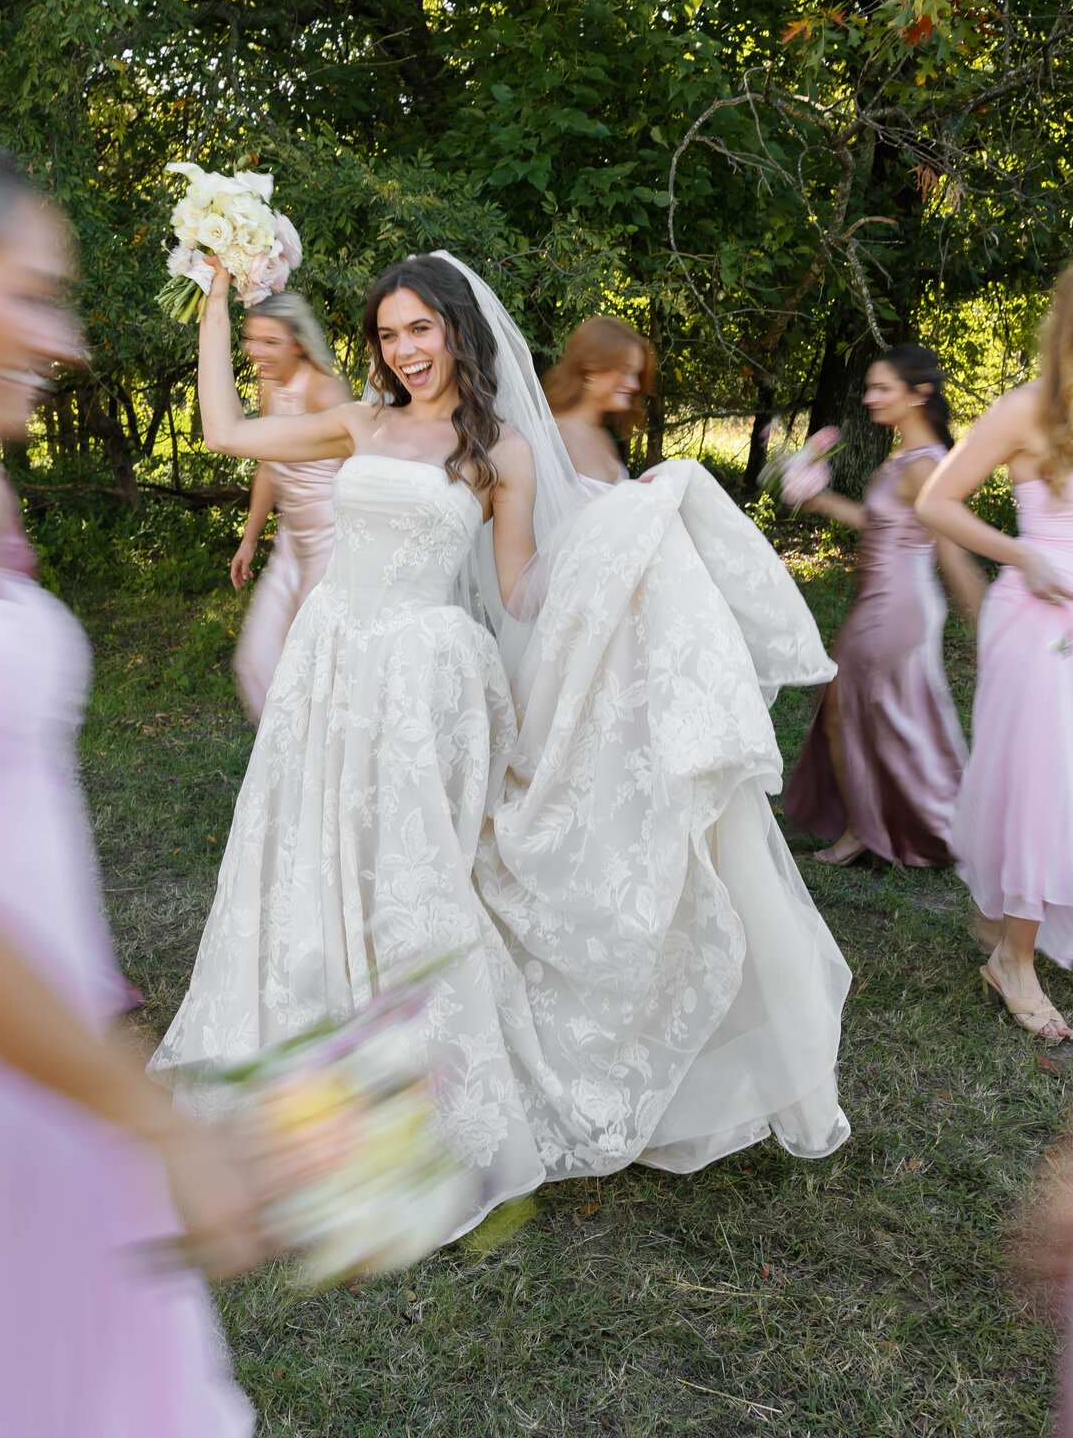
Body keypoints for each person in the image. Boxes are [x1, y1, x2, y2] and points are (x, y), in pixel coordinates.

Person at [154, 249, 852, 1221]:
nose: (404, 352)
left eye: (420, 330)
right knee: (317, 848)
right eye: (388, 335)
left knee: (414, 872)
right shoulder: (362, 421)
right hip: (332, 661)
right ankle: (312, 1048)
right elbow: (227, 430)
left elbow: (520, 587)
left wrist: (625, 550)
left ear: (456, 332)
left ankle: (417, 1093)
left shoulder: (503, 451)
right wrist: (218, 299)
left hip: (429, 680)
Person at [0, 107, 261, 1438]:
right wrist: (155, 1125)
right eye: (31, 296)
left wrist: (115, 1072)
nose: (68, 342)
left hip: (41, 1059)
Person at [918, 258, 1073, 1044]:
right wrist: (1024, 557)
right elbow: (935, 501)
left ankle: (1004, 923)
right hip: (1039, 615)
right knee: (1046, 783)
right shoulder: (1025, 409)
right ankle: (1014, 960)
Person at [784, 346, 985, 867]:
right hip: (880, 598)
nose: (869, 397)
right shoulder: (902, 456)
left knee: (864, 712)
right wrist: (820, 499)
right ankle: (873, 824)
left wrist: (984, 621)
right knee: (852, 710)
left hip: (899, 605)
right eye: (869, 387)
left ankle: (893, 829)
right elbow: (883, 525)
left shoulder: (925, 467)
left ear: (919, 395)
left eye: (882, 388)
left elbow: (949, 548)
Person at [229, 293, 349, 722]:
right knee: (256, 662)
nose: (256, 352)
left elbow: (362, 473)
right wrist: (248, 541)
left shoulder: (323, 390)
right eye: (251, 340)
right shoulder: (269, 385)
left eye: (270, 342)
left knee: (319, 672)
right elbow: (269, 466)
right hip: (291, 547)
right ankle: (285, 767)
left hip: (332, 548)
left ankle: (323, 773)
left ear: (297, 343)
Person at [543, 314, 655, 491]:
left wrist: (633, 493)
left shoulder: (603, 436)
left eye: (636, 374)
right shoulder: (552, 437)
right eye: (625, 372)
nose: (634, 385)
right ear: (590, 368)